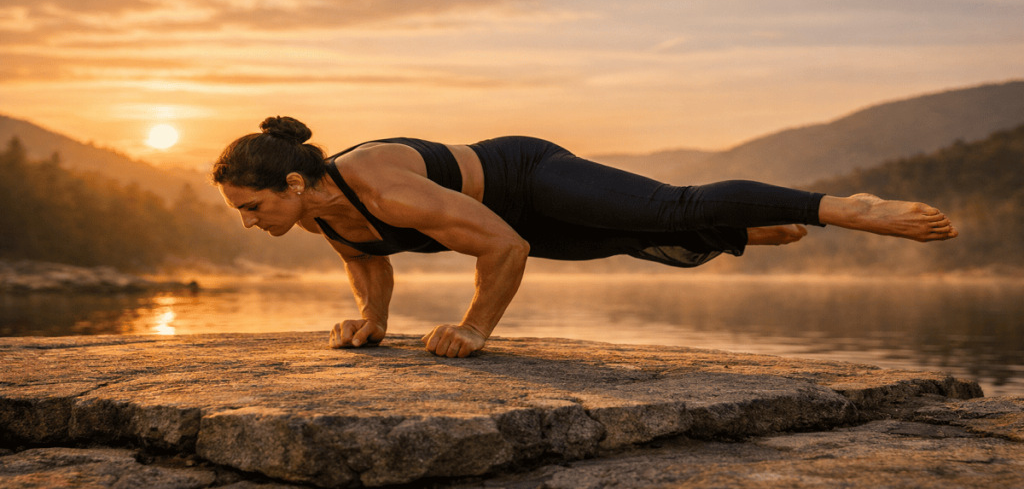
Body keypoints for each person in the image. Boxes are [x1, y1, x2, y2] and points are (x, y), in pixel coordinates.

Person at [213, 116, 958, 358]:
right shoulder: (317, 211)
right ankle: (748, 229)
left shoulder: (377, 182)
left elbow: (503, 246)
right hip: (515, 221)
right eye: (240, 214)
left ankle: (847, 206)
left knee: (667, 209)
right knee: (624, 239)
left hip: (527, 180)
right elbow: (367, 260)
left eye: (251, 207)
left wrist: (475, 329)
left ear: (290, 184)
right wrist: (373, 321)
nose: (250, 224)